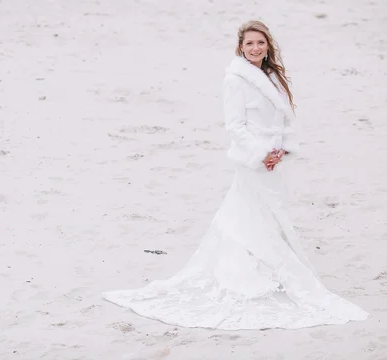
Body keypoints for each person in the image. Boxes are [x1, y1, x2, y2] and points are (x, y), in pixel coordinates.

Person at [102, 21, 369, 330]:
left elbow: (284, 120)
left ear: (268, 46)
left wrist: (281, 149)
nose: (255, 48)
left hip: (274, 160)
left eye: (261, 43)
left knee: (269, 216)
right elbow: (235, 126)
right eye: (250, 43)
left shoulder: (273, 77)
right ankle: (244, 276)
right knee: (249, 213)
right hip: (252, 159)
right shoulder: (235, 79)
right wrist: (262, 152)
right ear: (240, 47)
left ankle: (266, 270)